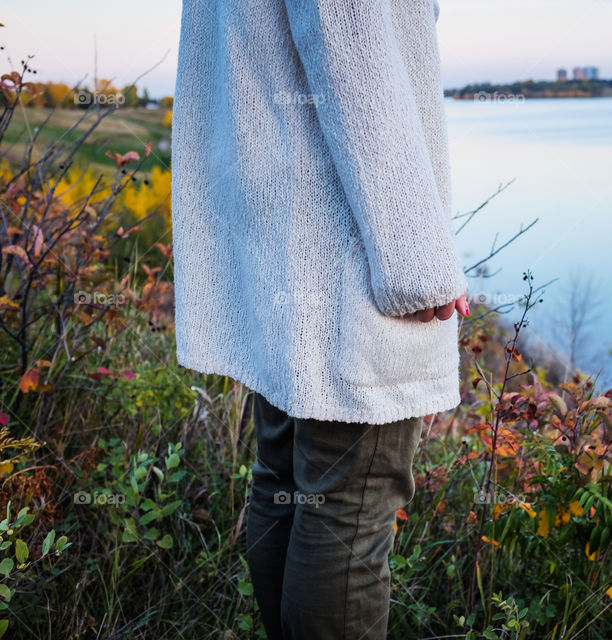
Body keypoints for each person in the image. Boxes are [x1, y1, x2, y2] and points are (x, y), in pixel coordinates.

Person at [170, 0, 468, 637]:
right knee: (348, 506)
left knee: (286, 481)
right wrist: (414, 252)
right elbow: (351, 44)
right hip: (339, 248)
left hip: (280, 238)